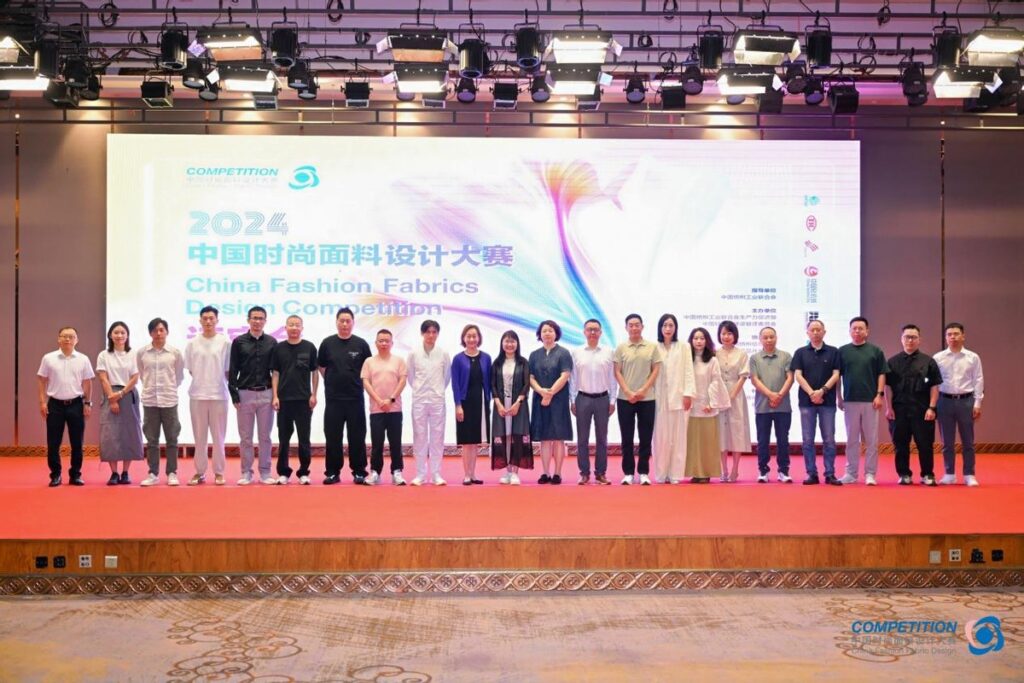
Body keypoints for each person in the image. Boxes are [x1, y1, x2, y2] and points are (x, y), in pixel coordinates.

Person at [318, 307, 372, 485]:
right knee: (333, 436)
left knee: (357, 436)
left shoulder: (361, 344)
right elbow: (322, 367)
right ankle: (333, 472)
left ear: (353, 323)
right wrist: (333, 381)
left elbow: (368, 369)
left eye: (348, 321)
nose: (344, 324)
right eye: (341, 321)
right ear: (336, 322)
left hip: (355, 398)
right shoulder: (327, 343)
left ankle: (359, 472)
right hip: (333, 399)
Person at [885, 324, 942, 487]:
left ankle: (927, 474)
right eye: (907, 337)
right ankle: (904, 474)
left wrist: (932, 408)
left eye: (913, 337)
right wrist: (889, 408)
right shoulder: (892, 362)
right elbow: (887, 387)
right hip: (899, 410)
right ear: (901, 339)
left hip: (922, 410)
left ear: (919, 340)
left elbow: (934, 386)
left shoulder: (928, 361)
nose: (910, 340)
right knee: (900, 444)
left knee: (925, 444)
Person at [38, 326, 95, 487]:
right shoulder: (48, 358)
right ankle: (55, 475)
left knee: (77, 443)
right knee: (53, 443)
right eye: (64, 336)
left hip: (76, 404)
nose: (67, 339)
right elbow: (41, 380)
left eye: (71, 336)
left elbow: (87, 382)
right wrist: (42, 402)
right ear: (58, 339)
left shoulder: (83, 359)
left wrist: (87, 403)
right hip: (54, 405)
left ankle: (75, 475)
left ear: (77, 340)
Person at [229, 306, 278, 486]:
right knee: (246, 438)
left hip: (266, 393)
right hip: (245, 394)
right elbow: (233, 369)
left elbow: (276, 371)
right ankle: (246, 472)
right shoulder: (238, 342)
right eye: (254, 318)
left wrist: (276, 395)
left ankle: (265, 472)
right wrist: (234, 395)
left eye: (260, 318)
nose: (257, 321)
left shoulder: (272, 342)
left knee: (265, 437)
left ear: (265, 321)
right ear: (248, 320)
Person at [183, 305, 231, 486]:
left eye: (212, 318)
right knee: (200, 437)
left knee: (219, 437)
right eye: (205, 318)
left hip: (219, 395)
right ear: (200, 320)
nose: (208, 321)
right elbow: (191, 370)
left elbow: (228, 370)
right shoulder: (192, 343)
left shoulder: (225, 343)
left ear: (217, 320)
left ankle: (219, 472)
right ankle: (200, 472)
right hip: (198, 395)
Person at [838, 316, 888, 486]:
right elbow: (838, 376)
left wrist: (879, 395)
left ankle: (870, 474)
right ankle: (851, 473)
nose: (857, 331)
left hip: (870, 401)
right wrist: (839, 397)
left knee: (871, 440)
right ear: (850, 331)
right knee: (851, 440)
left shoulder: (875, 351)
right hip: (850, 400)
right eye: (854, 328)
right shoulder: (843, 351)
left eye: (861, 328)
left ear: (867, 331)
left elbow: (882, 374)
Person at [791, 319, 842, 486]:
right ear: (807, 332)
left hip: (827, 402)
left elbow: (836, 375)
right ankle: (811, 474)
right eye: (812, 330)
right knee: (807, 440)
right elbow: (798, 375)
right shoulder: (800, 352)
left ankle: (830, 474)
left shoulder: (833, 352)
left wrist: (822, 391)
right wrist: (812, 393)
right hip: (807, 402)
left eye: (818, 330)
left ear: (824, 332)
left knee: (829, 439)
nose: (815, 333)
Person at [934, 322, 985, 487]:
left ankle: (969, 474)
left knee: (968, 441)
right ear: (945, 337)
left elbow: (978, 380)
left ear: (963, 336)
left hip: (966, 401)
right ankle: (949, 474)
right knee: (947, 442)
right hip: (944, 401)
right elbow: (932, 381)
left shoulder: (973, 357)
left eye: (956, 334)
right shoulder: (938, 358)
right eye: (949, 334)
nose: (953, 337)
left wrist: (977, 403)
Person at [614, 313, 662, 485]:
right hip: (625, 399)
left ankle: (643, 472)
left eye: (637, 325)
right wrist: (627, 391)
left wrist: (643, 390)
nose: (634, 328)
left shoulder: (652, 347)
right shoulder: (621, 348)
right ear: (626, 328)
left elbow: (656, 370)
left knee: (645, 437)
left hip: (647, 398)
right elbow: (617, 371)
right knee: (626, 437)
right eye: (631, 325)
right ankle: (628, 473)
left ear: (642, 327)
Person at [271, 315, 319, 485]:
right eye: (291, 325)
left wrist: (314, 394)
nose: (294, 327)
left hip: (303, 400)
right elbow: (275, 373)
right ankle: (283, 472)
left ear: (302, 328)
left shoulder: (309, 347)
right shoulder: (279, 348)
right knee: (284, 439)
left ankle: (304, 472)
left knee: (304, 438)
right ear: (286, 328)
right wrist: (275, 396)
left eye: (297, 325)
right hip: (284, 400)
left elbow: (314, 372)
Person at [137, 318, 184, 487]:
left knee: (172, 438)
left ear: (167, 332)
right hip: (150, 400)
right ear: (150, 333)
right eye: (155, 330)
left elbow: (178, 376)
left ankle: (172, 472)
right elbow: (142, 374)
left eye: (161, 330)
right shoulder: (142, 353)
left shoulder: (174, 353)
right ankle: (153, 473)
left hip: (169, 400)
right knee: (152, 440)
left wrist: (168, 388)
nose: (158, 333)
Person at [569, 319, 617, 485]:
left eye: (596, 330)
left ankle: (600, 473)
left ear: (601, 332)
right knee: (582, 439)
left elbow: (612, 378)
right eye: (589, 329)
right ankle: (584, 473)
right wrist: (572, 400)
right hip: (582, 398)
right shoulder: (576, 352)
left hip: (603, 399)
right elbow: (573, 378)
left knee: (602, 438)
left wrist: (612, 400)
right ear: (584, 332)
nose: (592, 332)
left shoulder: (608, 352)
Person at [95, 322, 143, 485]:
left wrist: (121, 394)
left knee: (129, 432)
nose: (119, 335)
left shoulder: (133, 354)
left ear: (127, 335)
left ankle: (125, 472)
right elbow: (103, 378)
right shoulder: (104, 355)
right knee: (110, 434)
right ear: (110, 335)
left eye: (123, 332)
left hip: (128, 393)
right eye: (116, 332)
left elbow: (135, 377)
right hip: (110, 393)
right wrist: (112, 397)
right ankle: (114, 473)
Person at [406, 319, 451, 486]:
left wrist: (438, 391)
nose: (431, 335)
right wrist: (419, 390)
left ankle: (436, 474)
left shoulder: (443, 353)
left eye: (434, 332)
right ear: (422, 333)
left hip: (437, 399)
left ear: (437, 334)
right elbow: (411, 376)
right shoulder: (413, 353)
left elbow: (446, 377)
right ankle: (420, 474)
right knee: (419, 436)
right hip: (419, 399)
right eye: (428, 332)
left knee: (437, 437)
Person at [360, 329, 407, 486]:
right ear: (376, 343)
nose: (384, 343)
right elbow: (366, 382)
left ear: (392, 343)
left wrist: (391, 399)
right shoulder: (369, 362)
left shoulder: (399, 361)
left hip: (395, 409)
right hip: (376, 409)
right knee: (377, 443)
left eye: (387, 341)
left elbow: (402, 381)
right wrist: (380, 401)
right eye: (381, 341)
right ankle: (375, 472)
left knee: (395, 442)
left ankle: (397, 472)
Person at [529, 320, 573, 484]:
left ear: (556, 334)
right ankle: (545, 472)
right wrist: (541, 392)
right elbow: (530, 377)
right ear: (540, 334)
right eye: (544, 331)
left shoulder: (564, 353)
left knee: (558, 437)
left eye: (550, 330)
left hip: (559, 400)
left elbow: (565, 375)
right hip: (539, 399)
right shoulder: (534, 355)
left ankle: (557, 473)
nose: (547, 333)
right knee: (544, 438)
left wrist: (550, 393)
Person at [683, 327, 730, 483]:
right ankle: (695, 472)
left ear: (707, 341)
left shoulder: (712, 360)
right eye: (695, 338)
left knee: (707, 442)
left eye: (702, 338)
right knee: (693, 442)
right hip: (691, 407)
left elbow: (716, 382)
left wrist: (712, 403)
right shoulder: (687, 360)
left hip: (707, 407)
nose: (698, 341)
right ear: (691, 341)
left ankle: (706, 473)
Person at [653, 314, 695, 484]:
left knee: (678, 439)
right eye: (665, 325)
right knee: (660, 438)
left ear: (675, 327)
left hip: (679, 397)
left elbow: (689, 371)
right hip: (659, 398)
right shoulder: (654, 347)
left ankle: (676, 474)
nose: (668, 329)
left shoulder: (684, 347)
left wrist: (688, 394)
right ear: (660, 328)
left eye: (671, 325)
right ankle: (661, 474)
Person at [748, 327, 794, 484]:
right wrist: (770, 395)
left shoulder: (786, 356)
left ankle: (783, 471)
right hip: (762, 407)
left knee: (783, 440)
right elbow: (755, 380)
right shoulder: (754, 358)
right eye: (765, 337)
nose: (768, 340)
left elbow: (790, 378)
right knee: (762, 440)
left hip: (783, 406)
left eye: (771, 337)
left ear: (776, 337)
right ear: (760, 339)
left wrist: (779, 395)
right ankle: (763, 471)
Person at [452, 324, 492, 485]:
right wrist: (458, 405)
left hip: (481, 402)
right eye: (468, 336)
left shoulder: (486, 358)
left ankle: (473, 474)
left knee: (475, 441)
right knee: (466, 441)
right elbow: (455, 384)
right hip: (464, 402)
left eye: (474, 336)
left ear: (479, 338)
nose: (471, 339)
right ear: (464, 338)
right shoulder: (458, 359)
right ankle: (466, 474)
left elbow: (489, 381)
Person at [491, 330, 532, 485]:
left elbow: (526, 384)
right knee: (505, 437)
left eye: (512, 341)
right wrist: (499, 404)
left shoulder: (523, 362)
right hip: (501, 405)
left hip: (518, 405)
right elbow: (493, 385)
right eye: (507, 341)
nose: (509, 344)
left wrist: (518, 403)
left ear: (517, 344)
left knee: (517, 437)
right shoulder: (497, 363)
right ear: (502, 343)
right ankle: (508, 471)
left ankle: (515, 472)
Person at [716, 320, 750, 483]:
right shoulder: (715, 353)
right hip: (718, 397)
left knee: (737, 433)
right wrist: (721, 396)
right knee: (720, 434)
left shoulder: (742, 354)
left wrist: (731, 396)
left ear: (735, 335)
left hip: (736, 398)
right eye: (723, 333)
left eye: (729, 333)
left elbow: (743, 377)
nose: (726, 337)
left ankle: (735, 470)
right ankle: (724, 470)